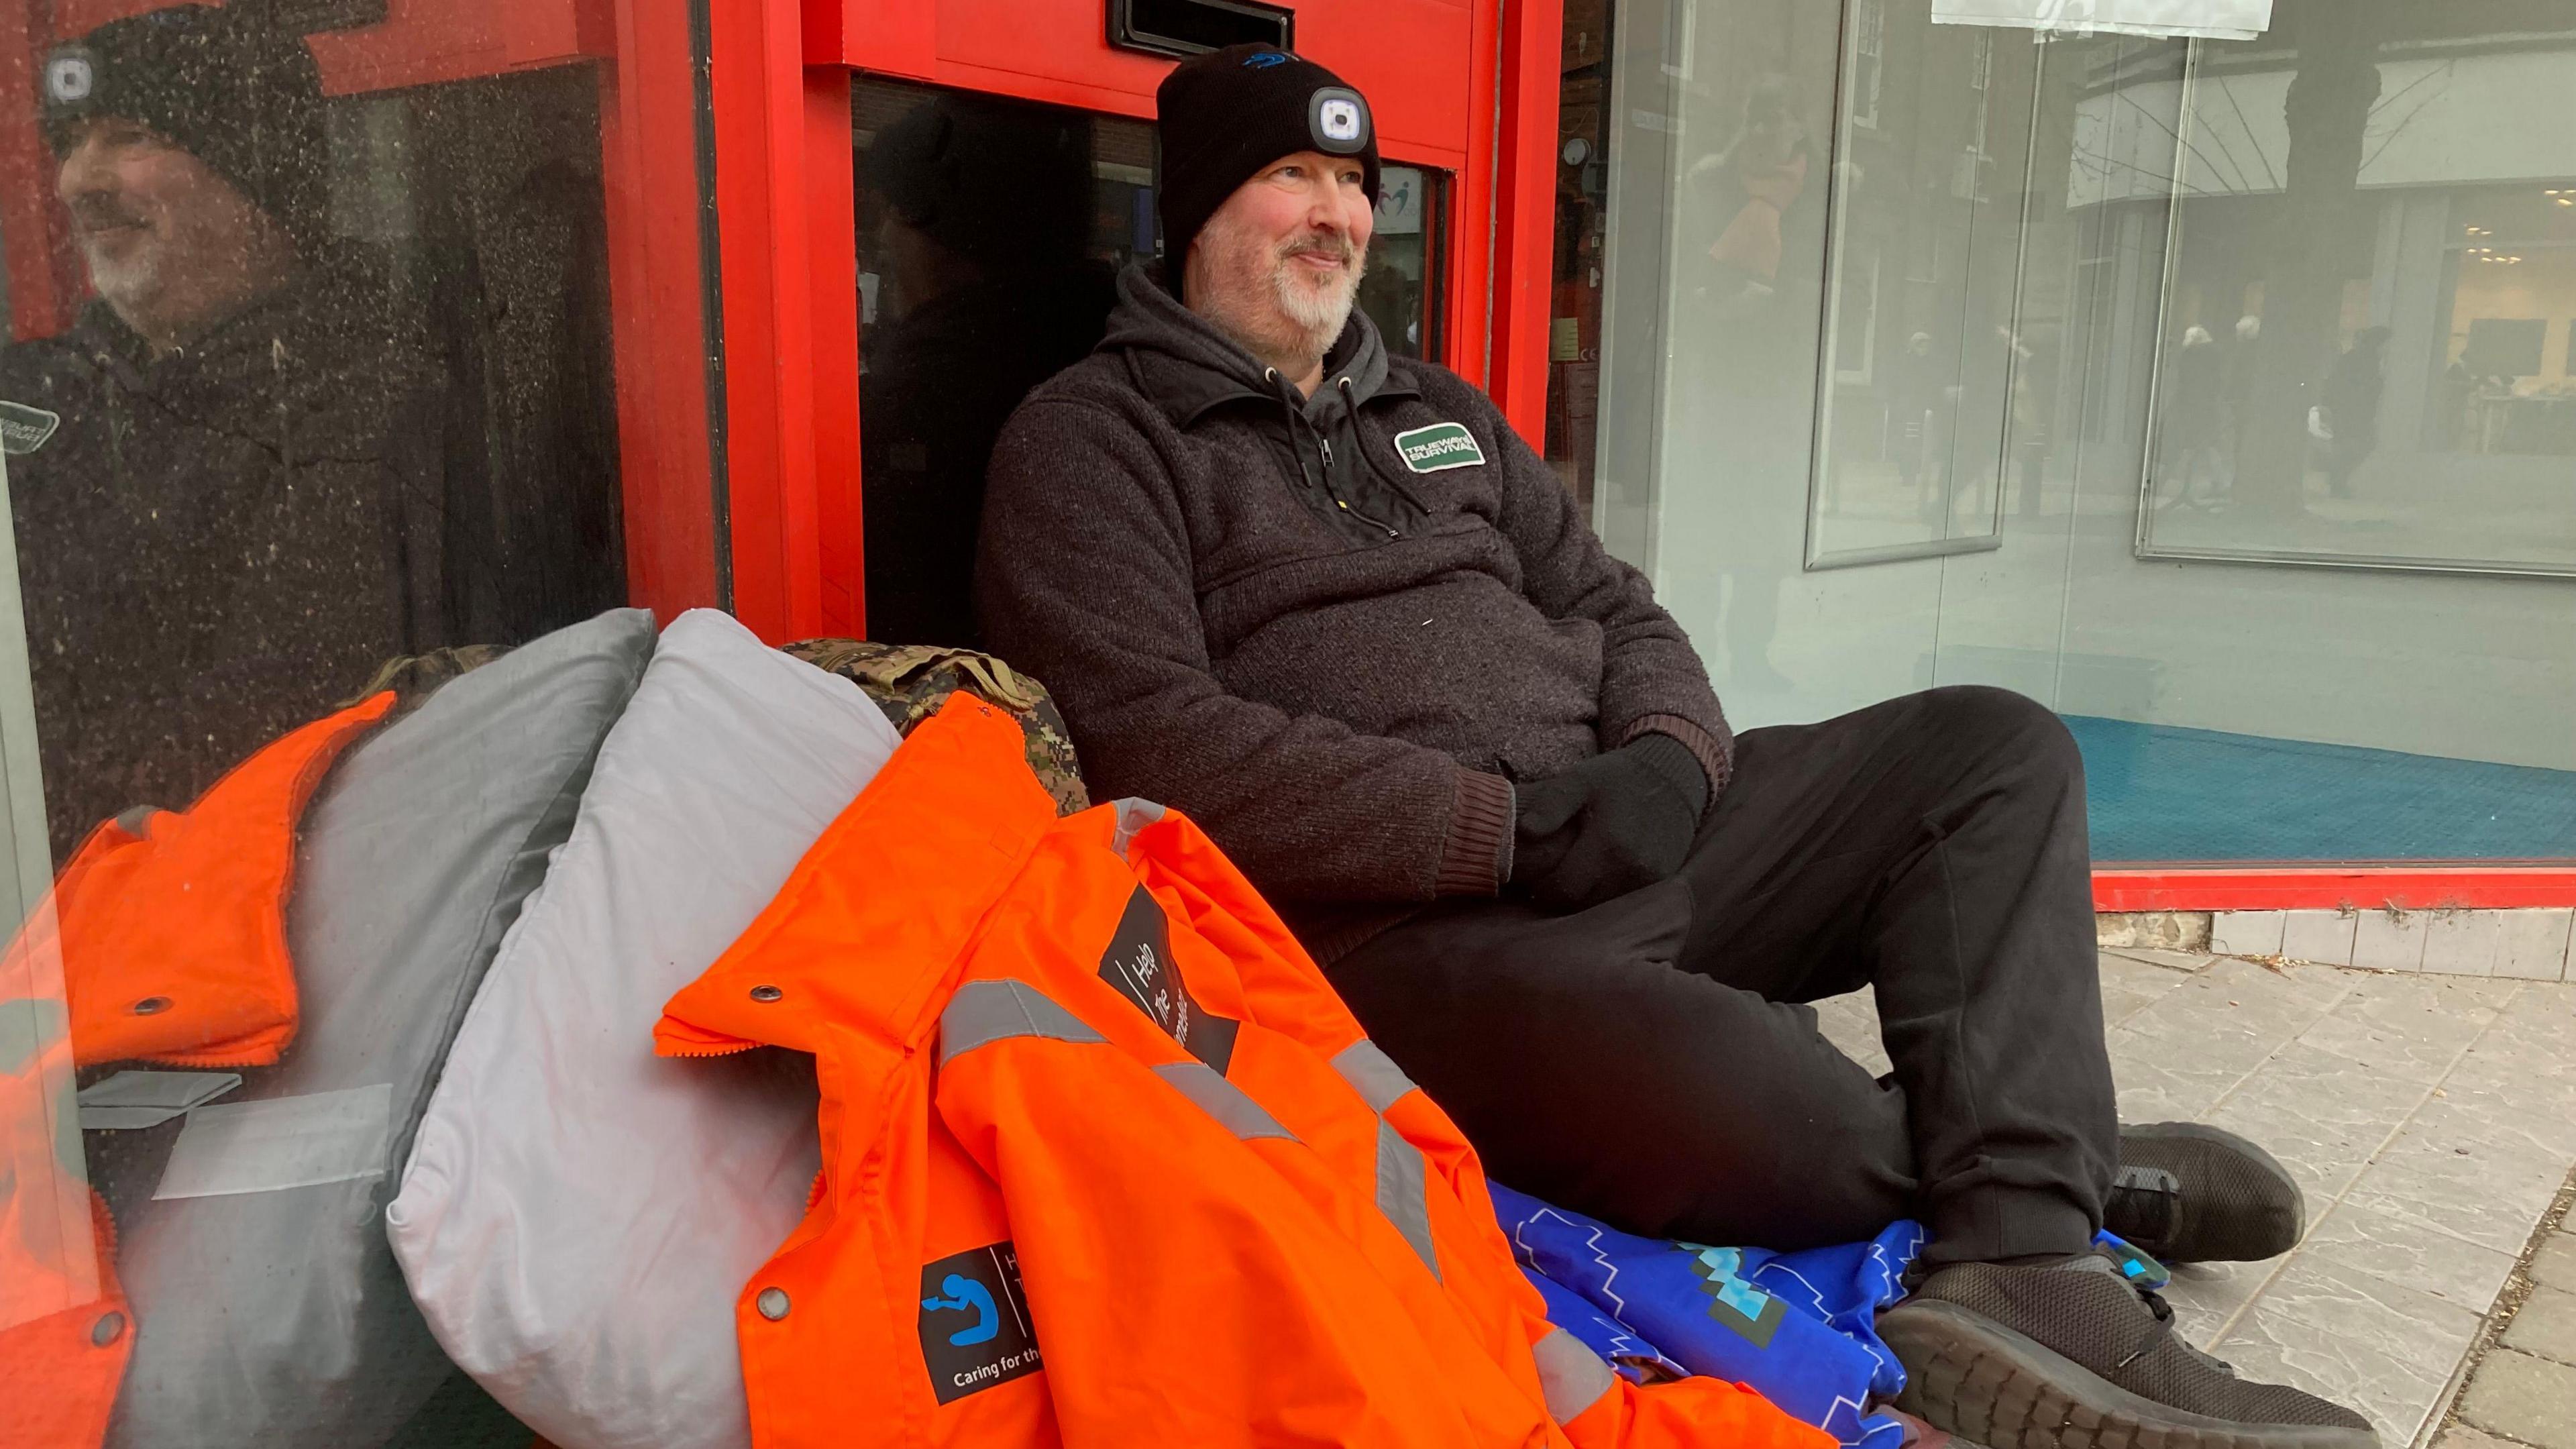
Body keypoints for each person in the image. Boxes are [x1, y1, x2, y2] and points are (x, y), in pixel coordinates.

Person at [975, 45, 2376, 1448]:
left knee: (1991, 752)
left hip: (1637, 830)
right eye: (1294, 175)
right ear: (1200, 206)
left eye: (1355, 180)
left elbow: (1611, 604)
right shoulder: (1091, 442)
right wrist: (1494, 828)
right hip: (1416, 937)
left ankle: (2025, 1251)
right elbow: (1155, 742)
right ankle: (2033, 1144)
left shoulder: (1441, 414)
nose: (1339, 213)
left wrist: (1664, 759)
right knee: (1785, 1134)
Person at [1, 4, 455, 859]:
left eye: (129, 136)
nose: (75, 181)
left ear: (254, 177)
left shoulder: (355, 399)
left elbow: (258, 731)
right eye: (71, 142)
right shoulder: (34, 391)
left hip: (164, 909)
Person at [858, 92, 1119, 647]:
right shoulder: (1127, 343)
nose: (882, 238)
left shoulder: (920, 386)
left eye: (894, 212)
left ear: (947, 224)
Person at [2320, 325, 2391, 499]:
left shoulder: (2364, 359)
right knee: (2358, 444)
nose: (2387, 349)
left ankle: (2338, 481)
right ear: (2378, 344)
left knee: (2354, 445)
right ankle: (2337, 481)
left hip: (2352, 411)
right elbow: (2358, 388)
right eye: (2385, 345)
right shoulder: (2363, 361)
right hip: (2350, 411)